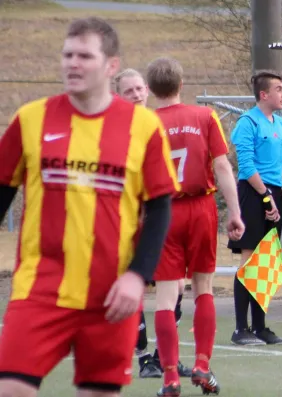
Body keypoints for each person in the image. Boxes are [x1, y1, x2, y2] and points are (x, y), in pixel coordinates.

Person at [0, 17, 179, 397]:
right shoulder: (31, 120)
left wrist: (137, 276)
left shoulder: (143, 128)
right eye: (67, 55)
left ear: (110, 65)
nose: (72, 63)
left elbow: (160, 208)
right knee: (10, 388)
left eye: (84, 55)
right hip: (39, 291)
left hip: (110, 297)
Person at [145, 57, 245, 396]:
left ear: (150, 89)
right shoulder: (205, 116)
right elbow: (222, 166)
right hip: (201, 207)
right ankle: (202, 364)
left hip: (162, 212)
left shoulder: (143, 123)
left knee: (165, 295)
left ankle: (170, 377)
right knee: (203, 286)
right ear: (181, 84)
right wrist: (235, 212)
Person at [114, 68, 191, 380]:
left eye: (138, 89)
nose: (135, 95)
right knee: (133, 288)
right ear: (118, 97)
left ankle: (164, 357)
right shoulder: (115, 129)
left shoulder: (158, 125)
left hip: (160, 219)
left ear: (147, 90)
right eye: (128, 91)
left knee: (176, 289)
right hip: (127, 221)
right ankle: (144, 357)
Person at [228, 70, 282, 346]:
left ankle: (260, 327)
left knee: (267, 263)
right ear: (264, 94)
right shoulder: (247, 123)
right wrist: (266, 197)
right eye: (279, 89)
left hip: (274, 195)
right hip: (253, 194)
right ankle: (239, 329)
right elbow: (246, 167)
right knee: (249, 260)